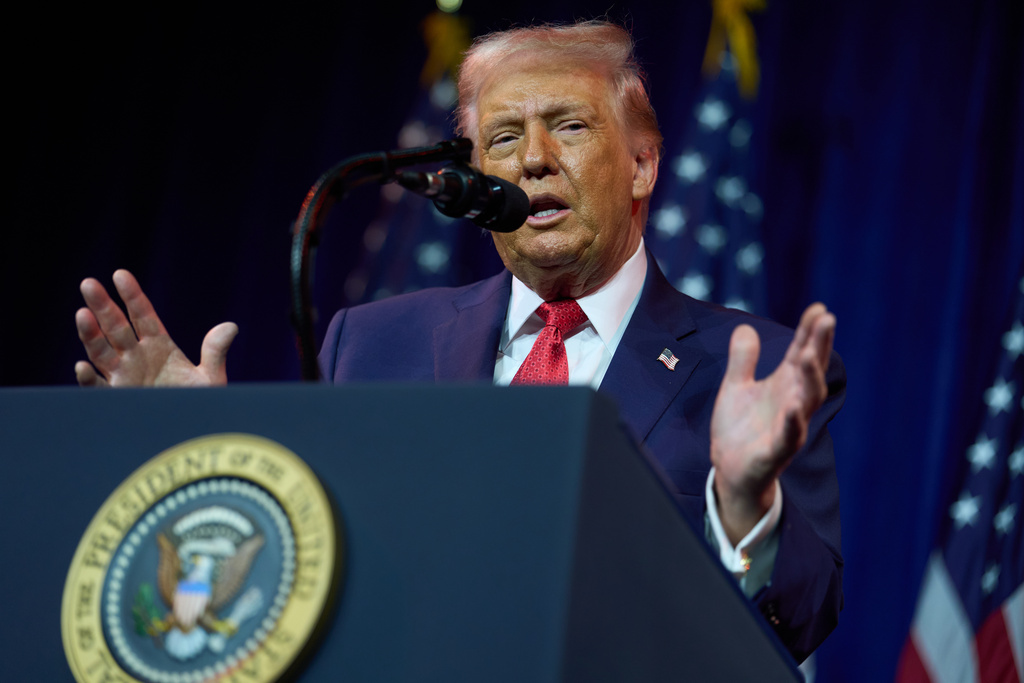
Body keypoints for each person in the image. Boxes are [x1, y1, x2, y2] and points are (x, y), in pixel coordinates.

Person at [75, 21, 843, 663]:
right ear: (475, 178)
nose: (533, 157)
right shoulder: (372, 344)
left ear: (642, 164)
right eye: (503, 137)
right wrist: (211, 459)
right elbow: (311, 569)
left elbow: (803, 616)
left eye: (568, 126)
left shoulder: (756, 368)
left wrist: (746, 505)